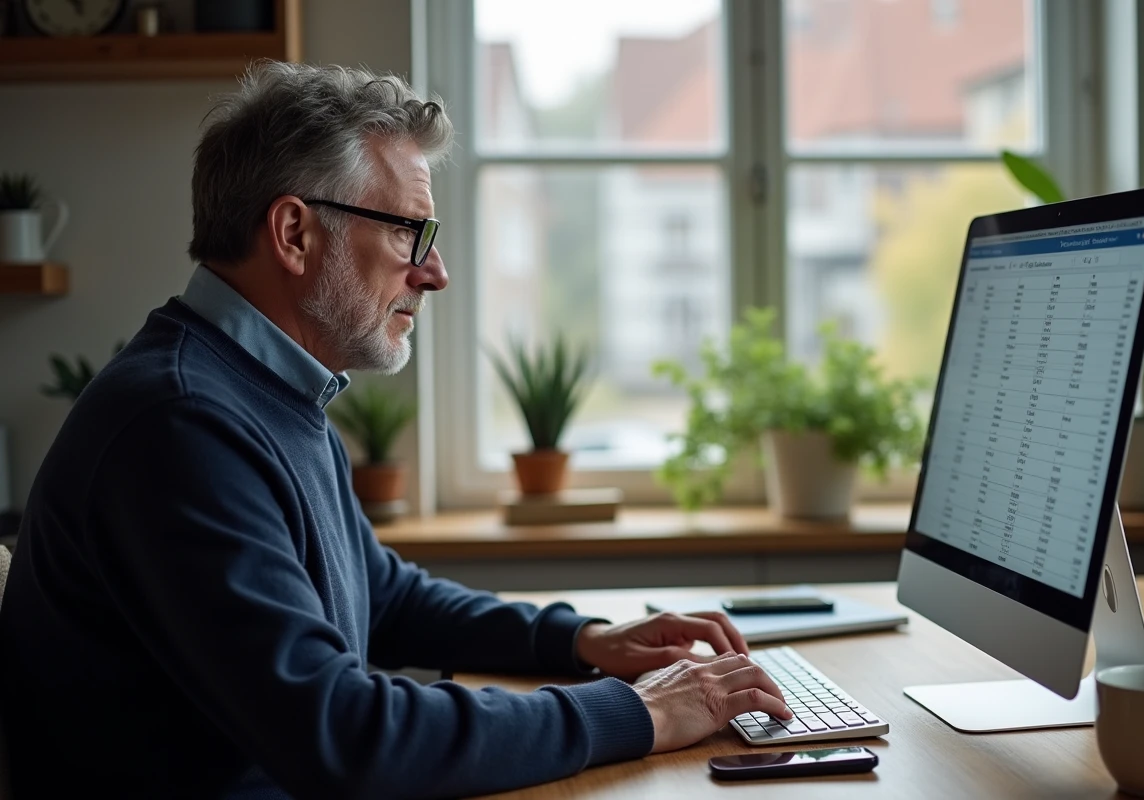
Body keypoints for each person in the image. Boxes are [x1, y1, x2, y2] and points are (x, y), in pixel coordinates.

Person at [0, 62, 791, 799]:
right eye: (410, 230)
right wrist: (641, 713)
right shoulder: (179, 426)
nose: (434, 271)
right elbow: (342, 732)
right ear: (295, 233)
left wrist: (585, 642)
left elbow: (380, 595)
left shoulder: (259, 391)